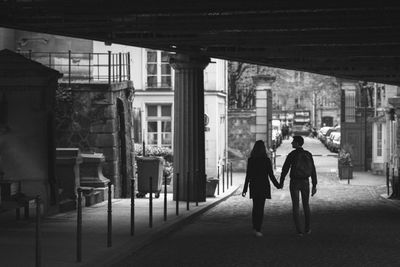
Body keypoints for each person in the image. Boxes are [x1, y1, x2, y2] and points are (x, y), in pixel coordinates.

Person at [242, 140, 281, 237]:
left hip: (254, 185)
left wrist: (245, 189)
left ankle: (255, 227)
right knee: (260, 208)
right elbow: (271, 175)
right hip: (263, 185)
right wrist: (278, 185)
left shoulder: (251, 160)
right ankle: (258, 228)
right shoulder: (266, 160)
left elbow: (248, 176)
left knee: (255, 207)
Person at [279, 135, 317, 236]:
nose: (291, 143)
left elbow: (285, 169)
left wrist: (281, 181)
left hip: (295, 182)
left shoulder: (292, 154)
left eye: (293, 142)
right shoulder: (308, 154)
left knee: (295, 206)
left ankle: (299, 230)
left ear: (297, 143)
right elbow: (313, 170)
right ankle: (307, 228)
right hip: (305, 182)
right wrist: (314, 184)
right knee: (306, 205)